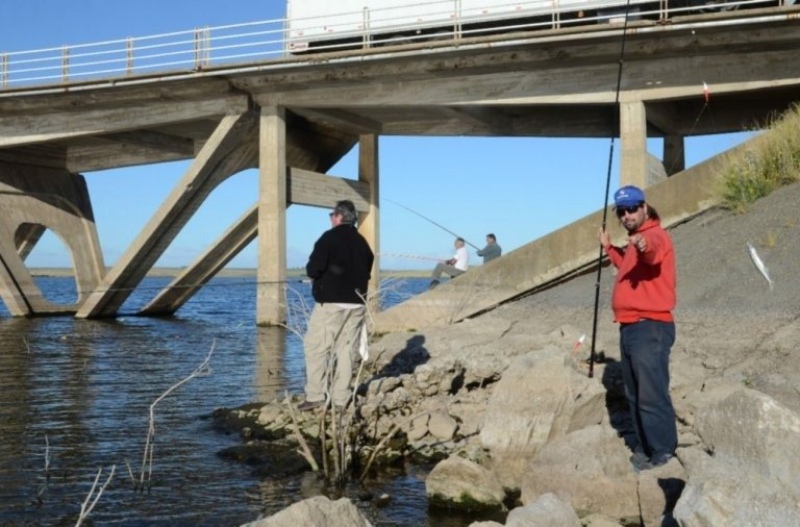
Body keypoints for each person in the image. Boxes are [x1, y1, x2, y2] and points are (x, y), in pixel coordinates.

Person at [599, 185, 677, 472]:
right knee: (634, 394)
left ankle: (664, 454)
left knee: (651, 394)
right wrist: (609, 247)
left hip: (650, 327)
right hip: (630, 327)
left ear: (645, 207)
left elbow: (651, 254)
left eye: (632, 208)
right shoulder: (633, 240)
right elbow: (627, 267)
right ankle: (644, 450)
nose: (627, 215)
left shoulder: (654, 235)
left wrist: (642, 246)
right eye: (622, 211)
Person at [298, 200, 374, 412]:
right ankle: (341, 399)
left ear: (339, 216)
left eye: (332, 214)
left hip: (331, 303)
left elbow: (313, 269)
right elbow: (367, 269)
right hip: (357, 304)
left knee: (315, 348)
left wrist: (320, 278)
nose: (331, 218)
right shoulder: (362, 243)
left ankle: (315, 395)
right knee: (346, 350)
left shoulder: (328, 238)